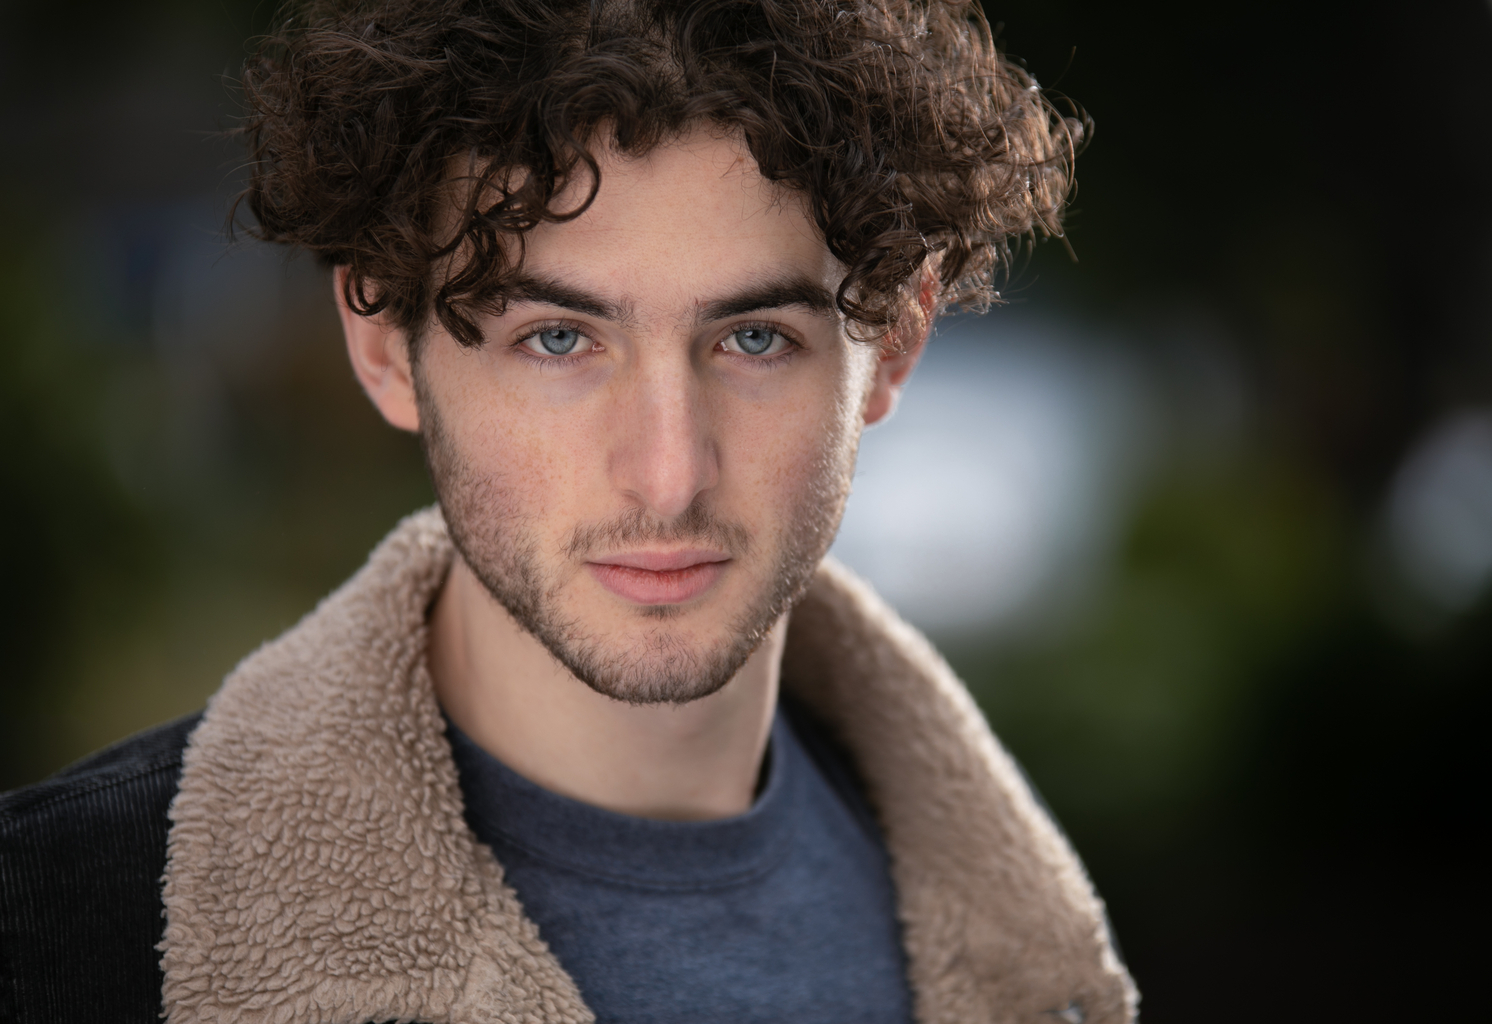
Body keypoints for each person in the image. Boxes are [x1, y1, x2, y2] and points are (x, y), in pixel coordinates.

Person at [0, 1, 1137, 1021]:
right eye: (557, 339)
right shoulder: (49, 934)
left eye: (753, 339)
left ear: (893, 345)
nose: (668, 475)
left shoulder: (1037, 966)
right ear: (383, 343)